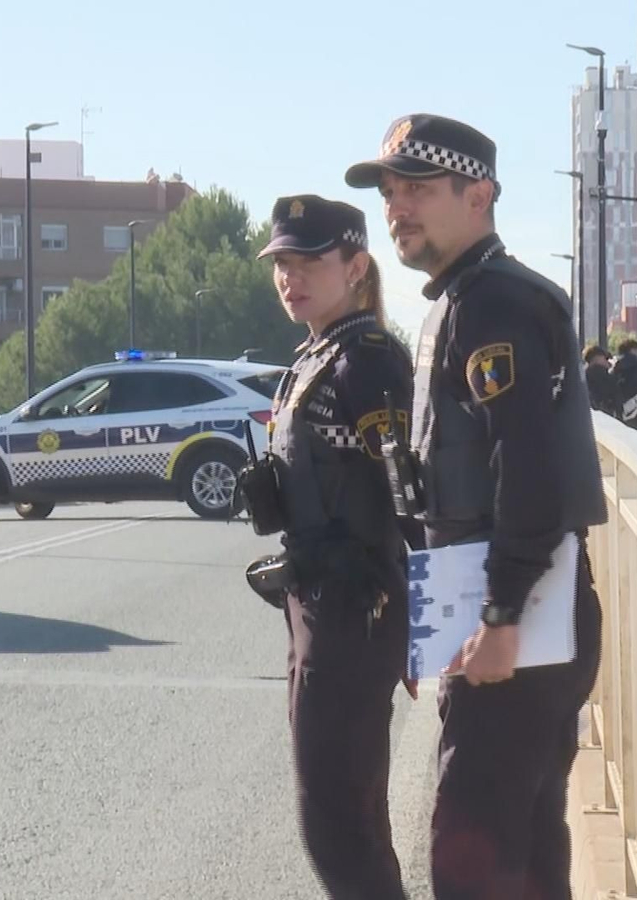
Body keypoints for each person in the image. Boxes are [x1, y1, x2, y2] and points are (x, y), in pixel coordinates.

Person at [344, 113, 609, 900]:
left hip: (516, 617)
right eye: (389, 194)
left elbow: (527, 470)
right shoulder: (466, 298)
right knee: (525, 855)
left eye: (418, 190)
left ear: (480, 195)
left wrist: (499, 616)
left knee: (474, 858)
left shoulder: (492, 304)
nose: (397, 208)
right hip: (507, 608)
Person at [237, 194, 415, 900]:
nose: (290, 277)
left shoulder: (367, 362)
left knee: (336, 825)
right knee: (352, 817)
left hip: (354, 609)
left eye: (309, 261)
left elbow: (412, 496)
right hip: (317, 603)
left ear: (356, 267)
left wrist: (431, 629)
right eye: (281, 263)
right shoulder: (317, 355)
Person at [583, 344, 620, 419]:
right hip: (605, 415)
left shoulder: (583, 375)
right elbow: (615, 394)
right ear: (598, 358)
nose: (607, 361)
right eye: (605, 358)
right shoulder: (602, 375)